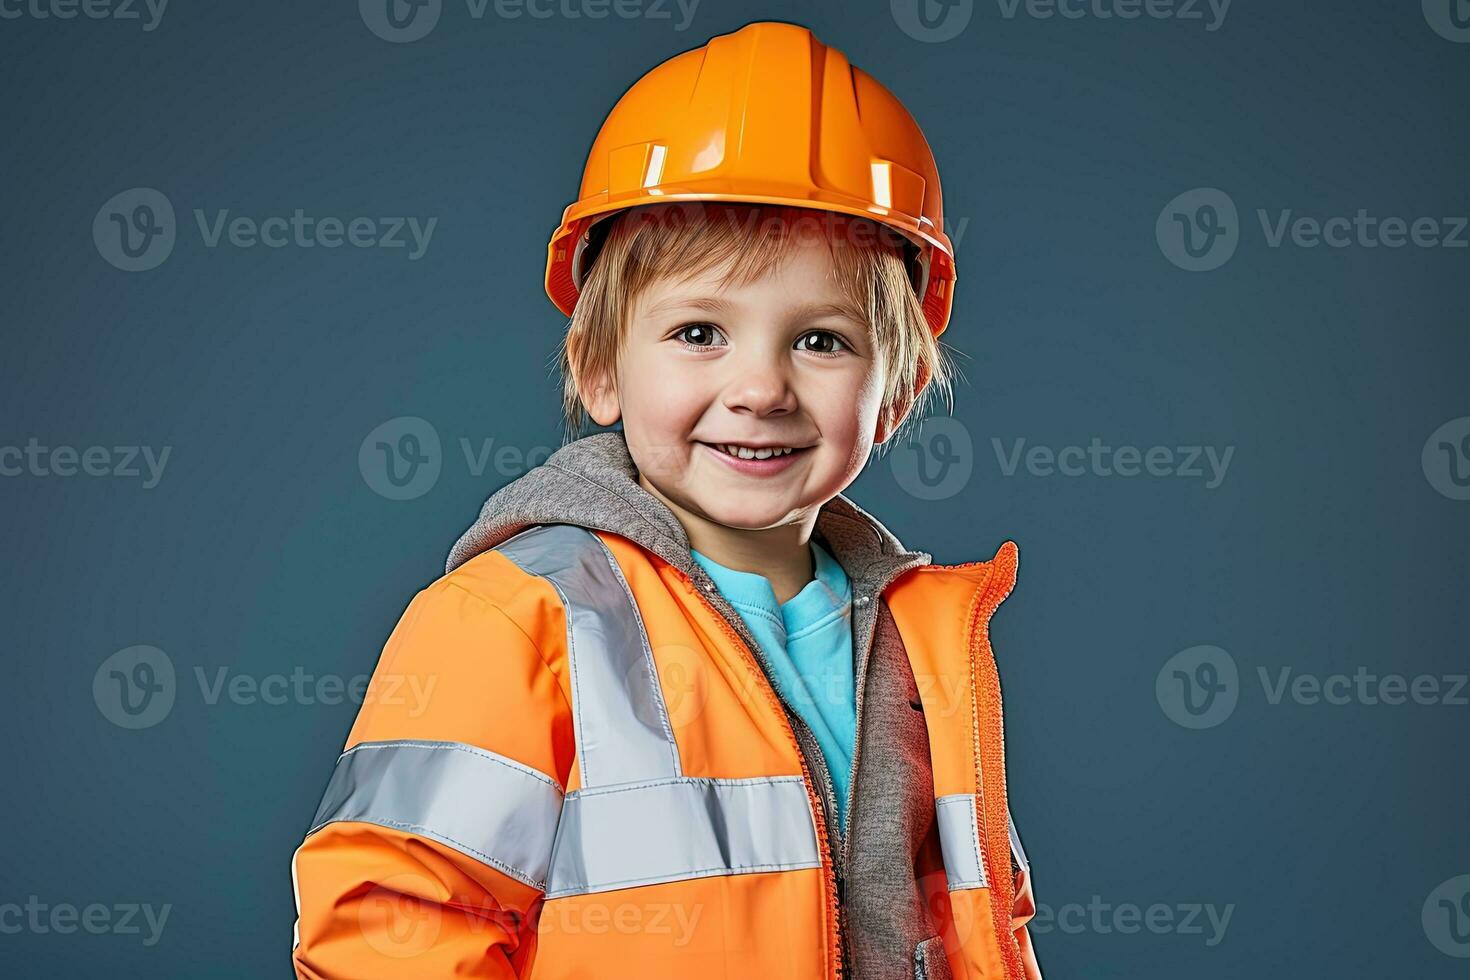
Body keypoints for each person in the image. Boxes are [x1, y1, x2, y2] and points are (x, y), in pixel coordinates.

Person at [290, 20, 1042, 980]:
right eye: (698, 332)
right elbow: (390, 930)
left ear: (892, 394)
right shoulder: (520, 623)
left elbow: (984, 928)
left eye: (821, 340)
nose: (761, 389)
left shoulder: (923, 648)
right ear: (601, 369)